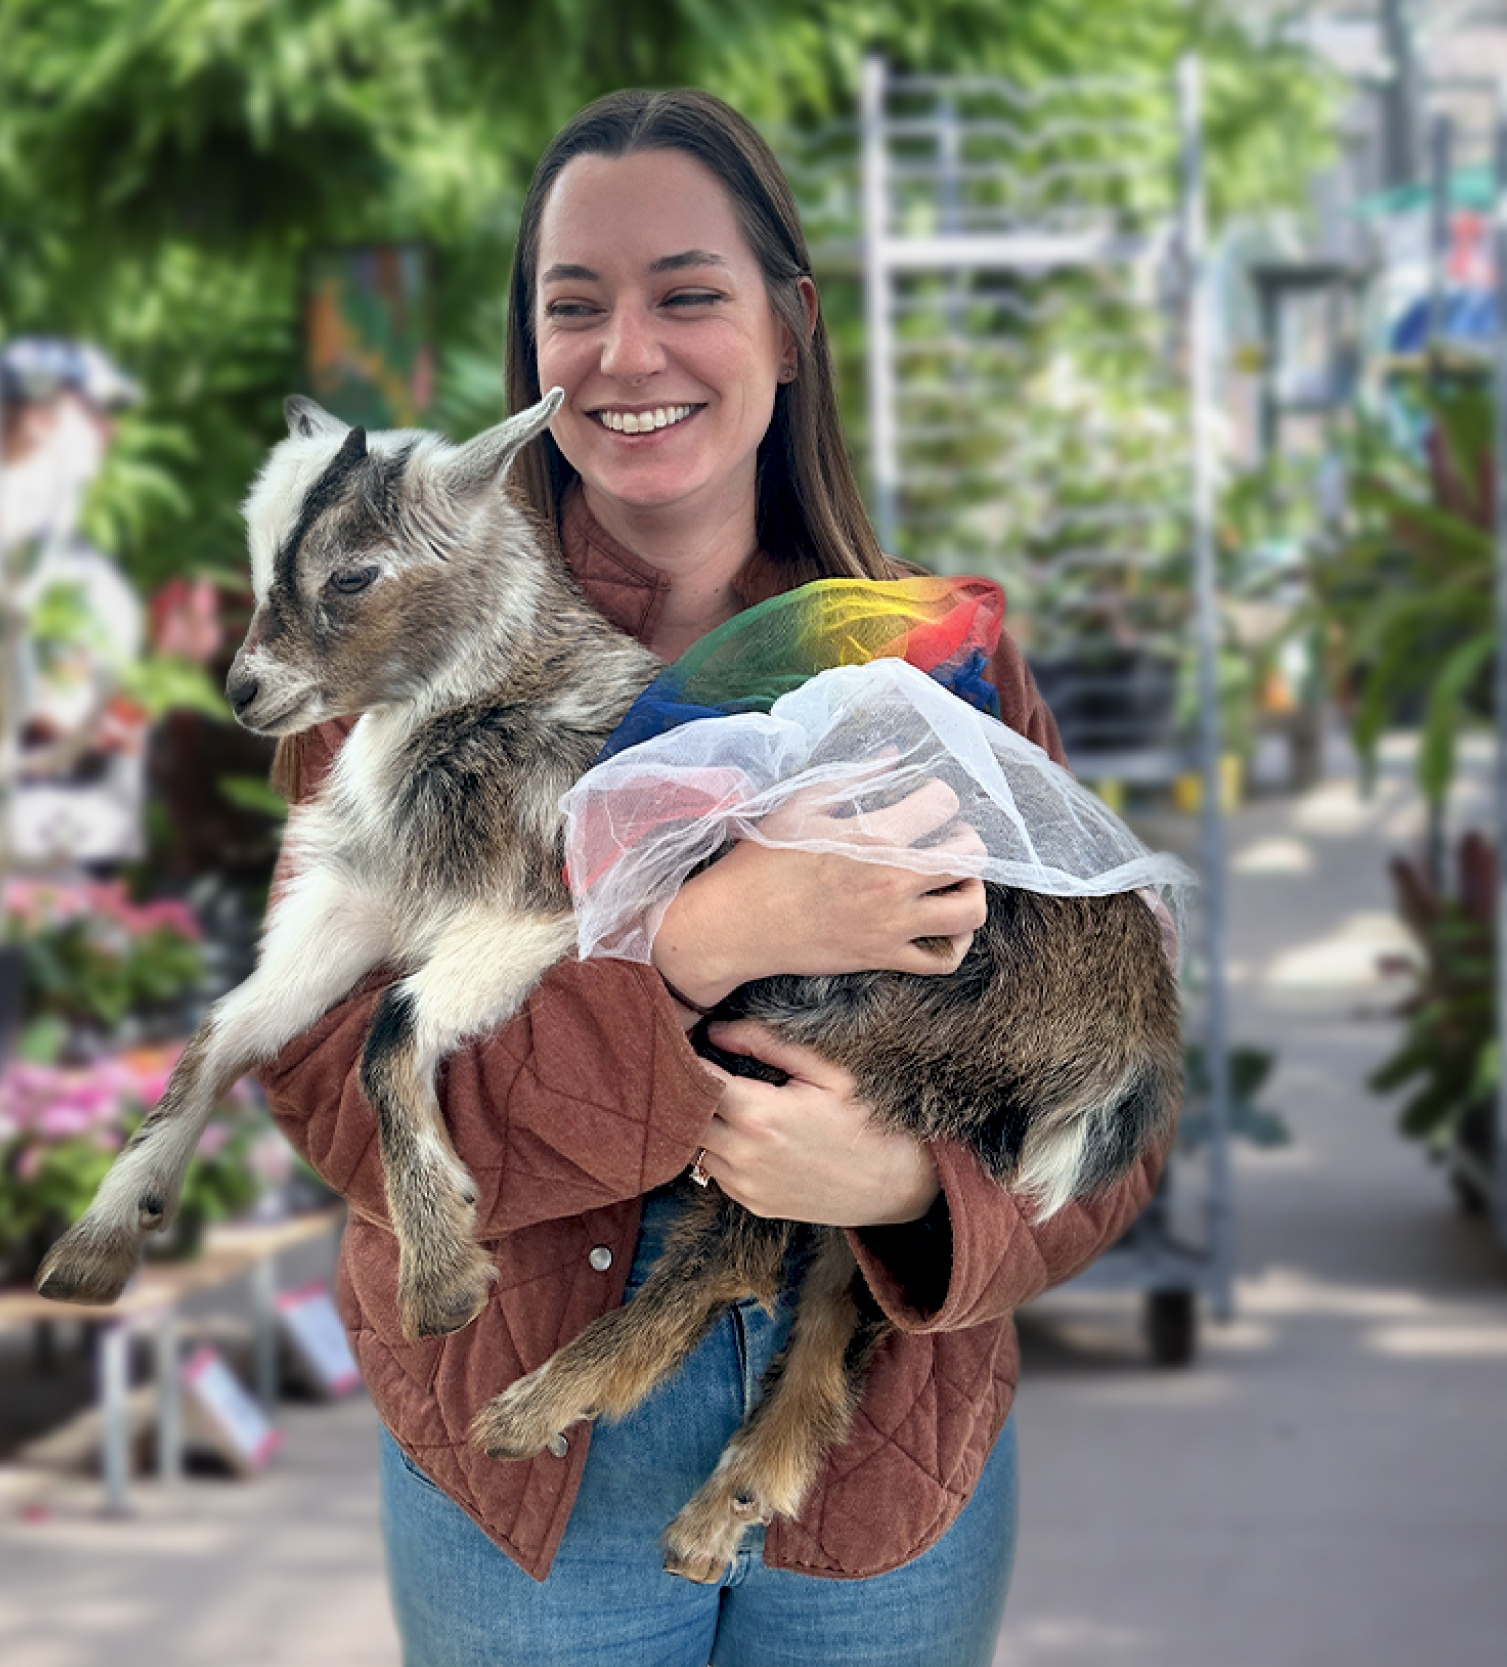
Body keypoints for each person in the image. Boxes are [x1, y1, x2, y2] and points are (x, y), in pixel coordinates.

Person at [258, 89, 1173, 1667]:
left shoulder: (934, 660)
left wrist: (912, 1194)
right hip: (530, 1481)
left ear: (788, 327)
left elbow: (1112, 1087)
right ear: (528, 350)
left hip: (870, 1479)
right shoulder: (390, 666)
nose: (626, 354)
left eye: (686, 293)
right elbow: (334, 1098)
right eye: (573, 306)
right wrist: (691, 944)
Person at [0, 337, 147, 873]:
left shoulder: (61, 529)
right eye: (95, 414)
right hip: (5, 832)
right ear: (40, 417)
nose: (109, 432)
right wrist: (45, 703)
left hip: (82, 830)